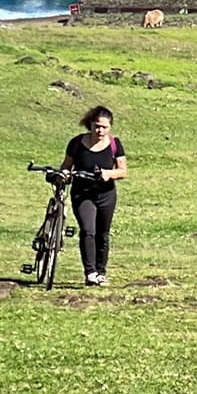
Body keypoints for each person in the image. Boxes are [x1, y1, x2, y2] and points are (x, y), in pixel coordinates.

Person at [61, 105, 127, 286]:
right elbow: (66, 165)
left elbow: (123, 171)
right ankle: (90, 272)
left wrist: (108, 173)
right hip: (82, 194)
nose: (100, 131)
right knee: (88, 231)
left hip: (106, 195)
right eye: (97, 126)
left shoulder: (114, 144)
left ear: (110, 127)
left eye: (104, 127)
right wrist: (65, 174)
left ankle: (101, 271)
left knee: (102, 234)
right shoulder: (76, 143)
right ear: (90, 124)